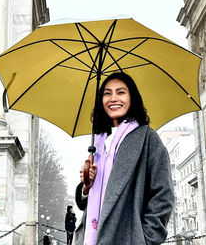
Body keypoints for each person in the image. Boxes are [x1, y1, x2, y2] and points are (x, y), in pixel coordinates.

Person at [74, 72, 173, 245]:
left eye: (121, 92)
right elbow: (97, 199)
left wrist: (144, 239)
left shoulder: (148, 139)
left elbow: (163, 195)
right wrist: (86, 187)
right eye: (107, 93)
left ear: (132, 97)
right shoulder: (99, 142)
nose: (113, 98)